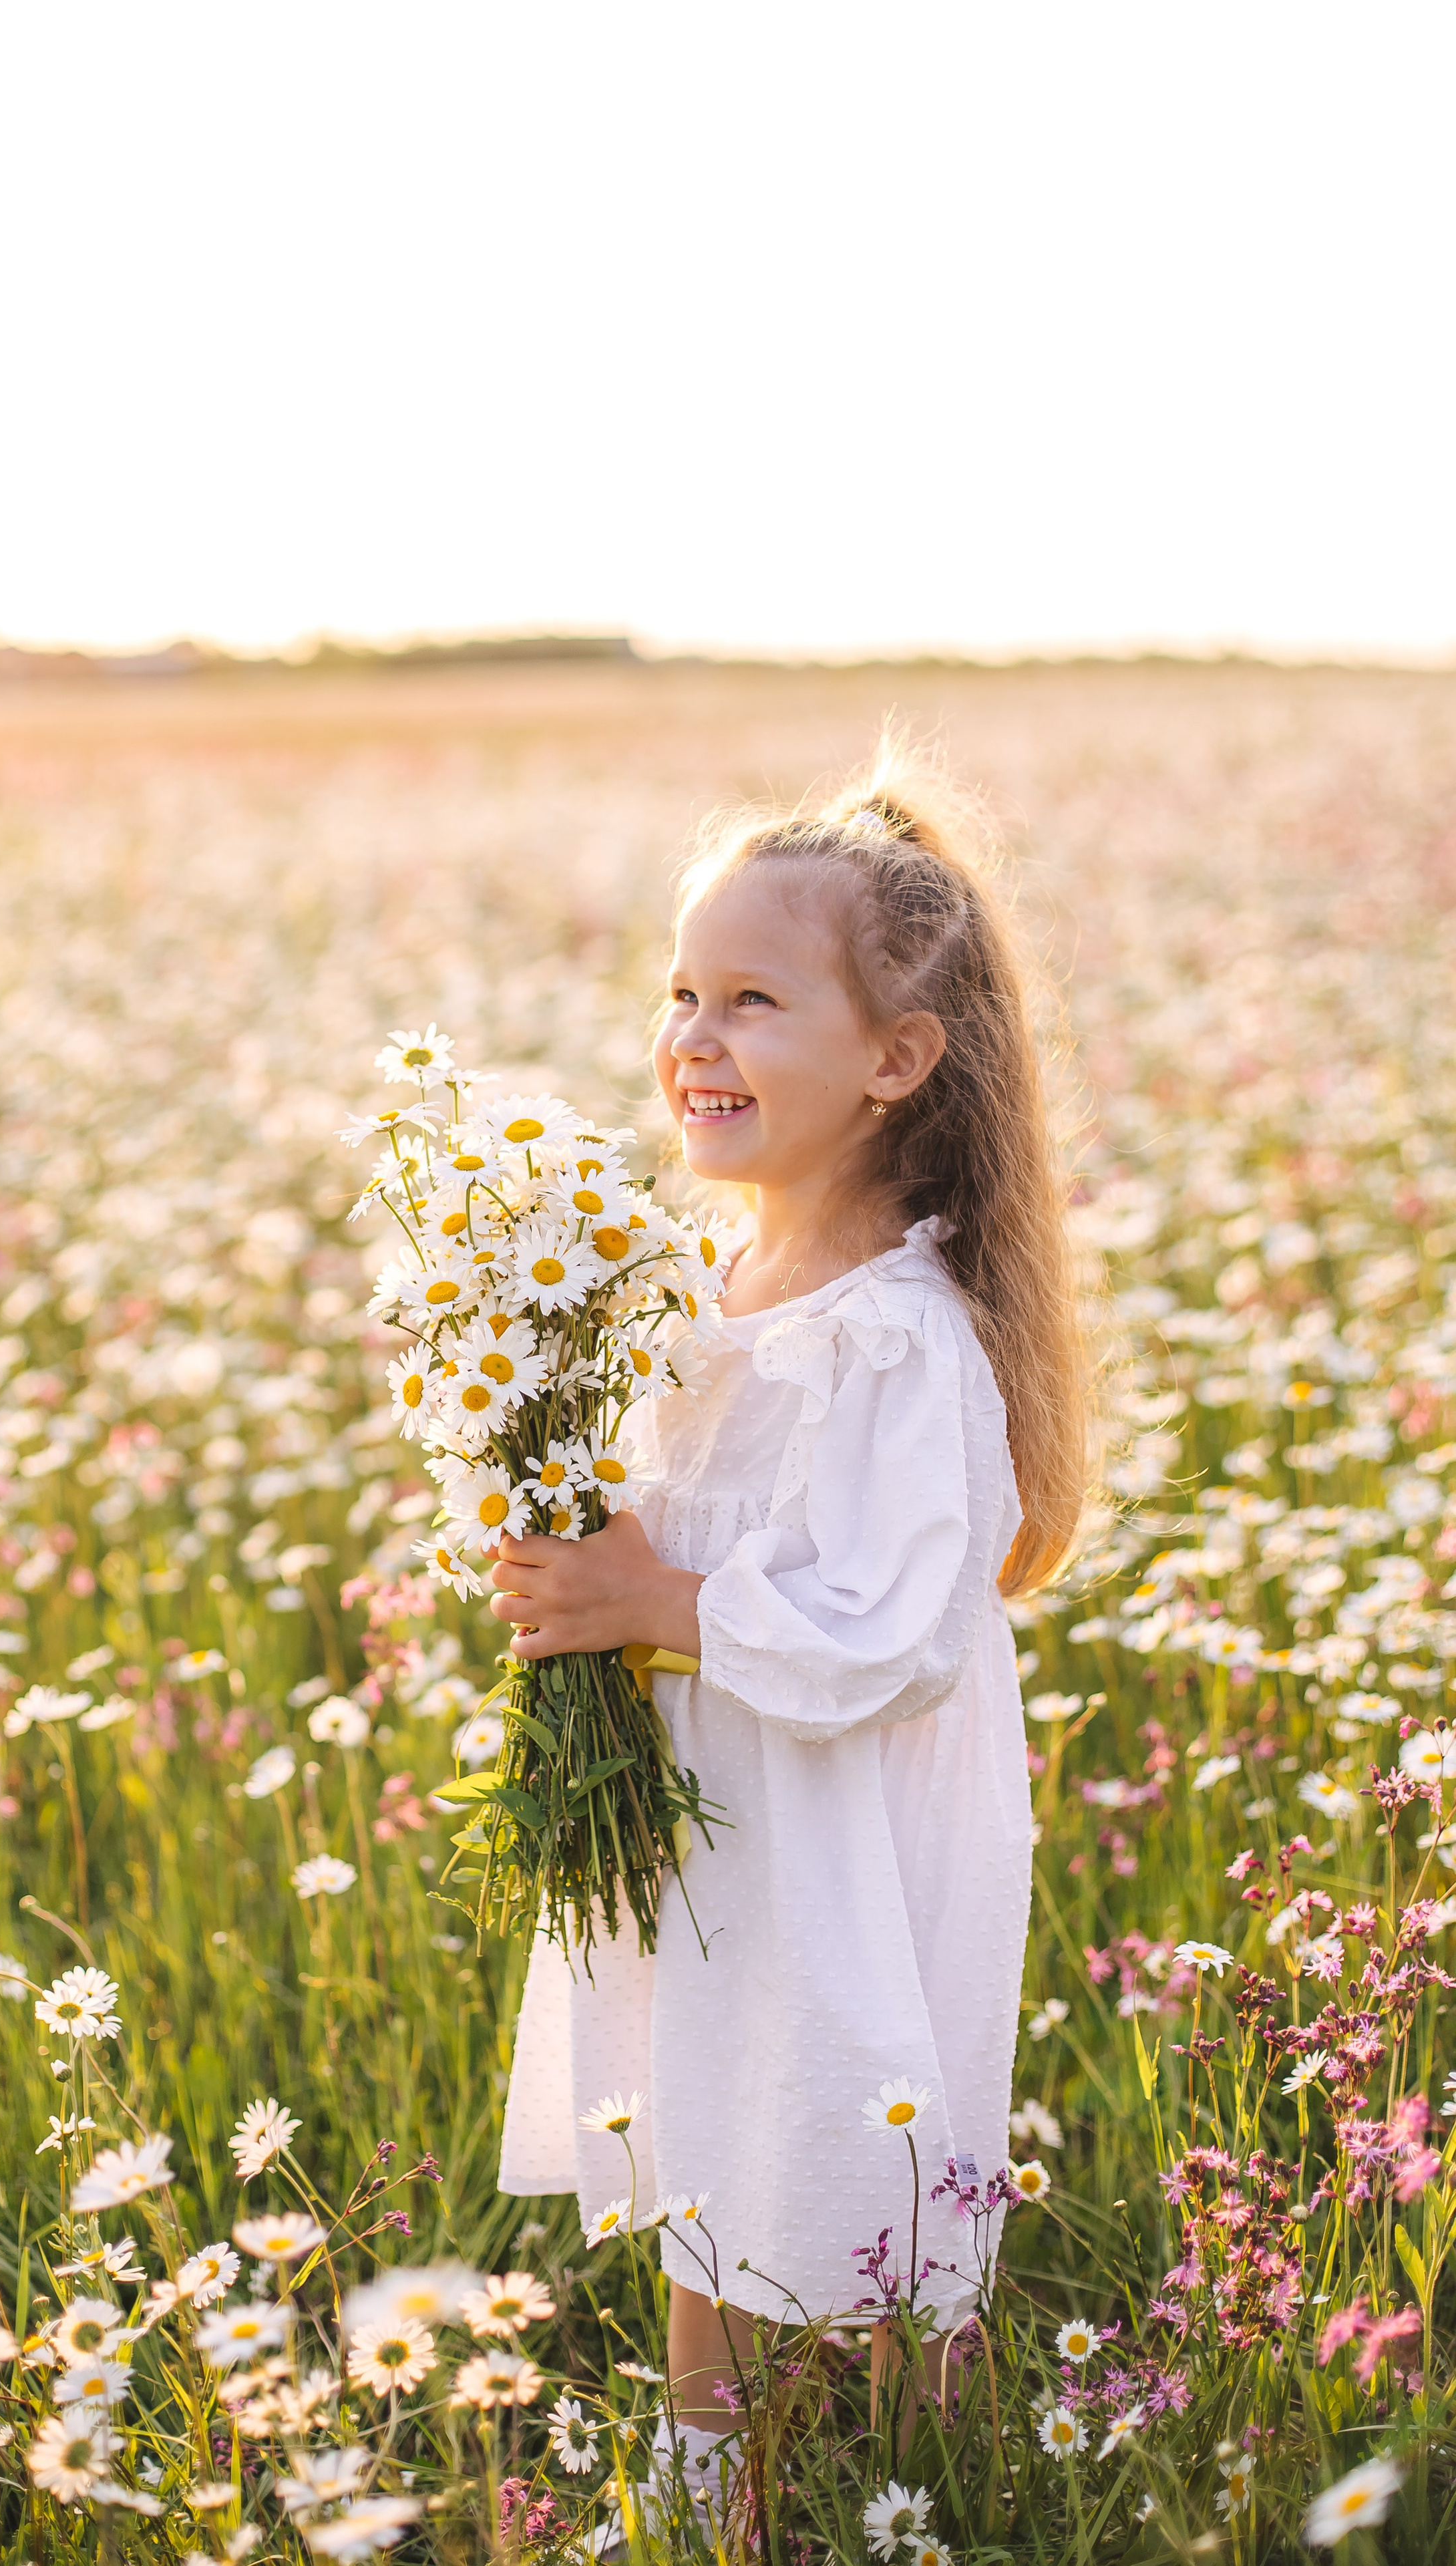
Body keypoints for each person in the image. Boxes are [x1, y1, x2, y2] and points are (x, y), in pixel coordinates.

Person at [491, 737, 1088, 2495]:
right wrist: (553, 1527)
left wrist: (652, 1595)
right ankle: (710, 2471)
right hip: (723, 1801)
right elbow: (656, 1518)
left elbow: (895, 1631)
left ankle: (934, 2475)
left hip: (851, 1818)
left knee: (874, 2106)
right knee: (715, 2103)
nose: (695, 1035)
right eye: (682, 992)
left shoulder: (897, 1336)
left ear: (897, 1060)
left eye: (753, 999)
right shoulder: (691, 1284)